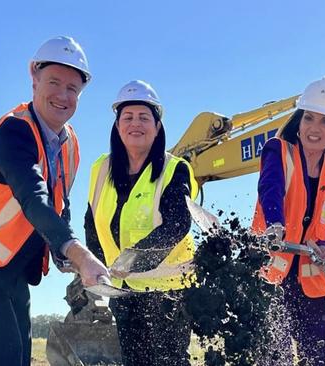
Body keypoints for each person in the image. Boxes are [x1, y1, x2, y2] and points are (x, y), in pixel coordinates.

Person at [0, 36, 109, 366]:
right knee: (5, 359)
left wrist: (62, 250)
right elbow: (34, 198)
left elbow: (59, 203)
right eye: (54, 82)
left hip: (11, 265)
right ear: (34, 78)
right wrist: (78, 252)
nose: (63, 95)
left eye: (72, 88)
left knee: (20, 357)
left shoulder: (70, 144)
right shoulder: (13, 133)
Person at [84, 80, 198, 366]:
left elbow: (178, 223)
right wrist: (95, 265)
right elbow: (92, 223)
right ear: (117, 125)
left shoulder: (174, 169)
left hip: (169, 292)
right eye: (128, 117)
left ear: (157, 127)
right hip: (123, 292)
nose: (136, 123)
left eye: (144, 117)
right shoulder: (100, 170)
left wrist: (135, 258)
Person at [252, 76, 325, 365]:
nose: (315, 128)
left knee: (320, 357)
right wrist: (275, 224)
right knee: (273, 357)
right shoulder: (277, 150)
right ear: (299, 121)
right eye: (309, 118)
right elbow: (270, 188)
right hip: (270, 279)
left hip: (312, 284)